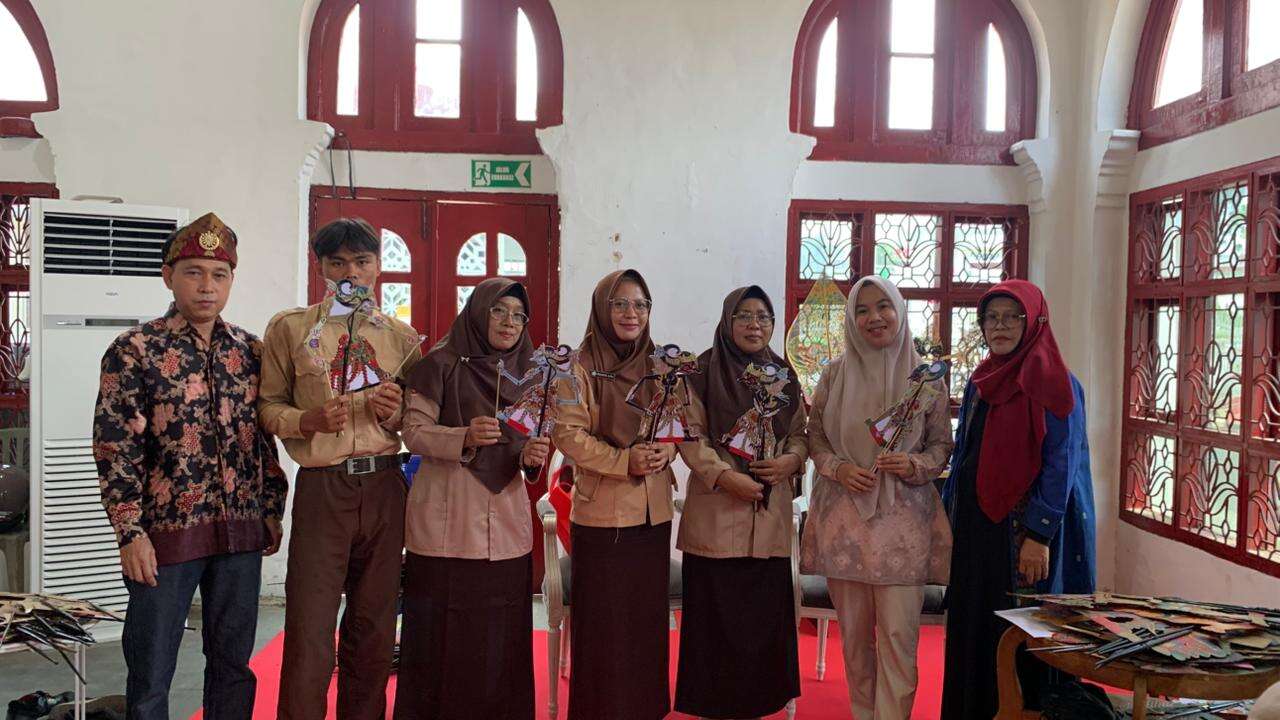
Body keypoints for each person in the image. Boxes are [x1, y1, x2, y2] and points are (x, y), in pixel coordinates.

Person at [93, 212, 288, 720]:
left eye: (218, 275)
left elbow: (263, 438)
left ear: (231, 281)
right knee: (151, 669)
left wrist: (272, 506)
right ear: (168, 275)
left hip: (240, 533)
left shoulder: (250, 351)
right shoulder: (134, 350)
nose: (207, 286)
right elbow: (116, 448)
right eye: (194, 272)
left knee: (233, 664)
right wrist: (128, 532)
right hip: (164, 537)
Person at [258, 218, 423, 720]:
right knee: (310, 625)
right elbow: (266, 407)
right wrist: (306, 419)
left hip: (384, 486)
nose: (350, 271)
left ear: (377, 267)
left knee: (373, 626)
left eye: (362, 261)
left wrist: (394, 412)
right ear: (321, 267)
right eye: (338, 262)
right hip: (322, 488)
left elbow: (415, 422)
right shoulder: (291, 329)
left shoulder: (401, 337)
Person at [393, 277, 549, 720]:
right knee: (443, 637)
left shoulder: (530, 373)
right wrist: (464, 434)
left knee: (500, 639)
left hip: (506, 527)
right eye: (499, 310)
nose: (509, 322)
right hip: (447, 524)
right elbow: (414, 432)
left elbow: (526, 447)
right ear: (478, 311)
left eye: (519, 315)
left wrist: (533, 456)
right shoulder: (438, 363)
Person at [940, 279, 1096, 720]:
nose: (1001, 326)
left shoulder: (1057, 382)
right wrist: (949, 516)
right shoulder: (981, 380)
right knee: (976, 630)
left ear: (1034, 322)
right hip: (978, 533)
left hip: (1024, 539)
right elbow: (966, 450)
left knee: (1023, 636)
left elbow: (1062, 462)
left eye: (1012, 317)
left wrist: (1040, 534)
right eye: (992, 318)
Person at [801, 276, 953, 720]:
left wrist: (915, 466)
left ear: (900, 311)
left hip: (903, 529)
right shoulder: (834, 374)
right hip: (844, 526)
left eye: (883, 307)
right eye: (862, 310)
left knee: (899, 641)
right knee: (854, 642)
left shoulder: (927, 380)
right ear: (851, 319)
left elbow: (942, 446)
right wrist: (838, 469)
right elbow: (815, 437)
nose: (874, 318)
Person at [674, 285, 807, 720]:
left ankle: (760, 707)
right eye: (745, 316)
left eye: (764, 317)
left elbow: (803, 434)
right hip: (716, 519)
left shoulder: (784, 375)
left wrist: (791, 460)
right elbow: (689, 435)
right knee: (716, 627)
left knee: (760, 626)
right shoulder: (700, 372)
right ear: (727, 320)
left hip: (767, 522)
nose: (755, 325)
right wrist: (726, 477)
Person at [550, 269, 677, 720]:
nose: (631, 313)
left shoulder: (661, 366)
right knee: (605, 629)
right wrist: (626, 462)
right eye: (620, 304)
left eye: (640, 305)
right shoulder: (575, 367)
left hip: (653, 516)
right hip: (603, 517)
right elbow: (569, 436)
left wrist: (666, 450)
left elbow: (675, 424)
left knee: (645, 628)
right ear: (602, 308)